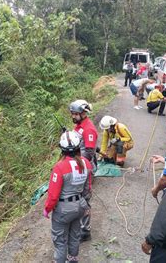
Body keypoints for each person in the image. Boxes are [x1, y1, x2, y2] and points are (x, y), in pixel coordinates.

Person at [43, 130, 92, 263]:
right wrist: (85, 205)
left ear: (62, 149)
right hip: (79, 206)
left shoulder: (59, 167)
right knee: (75, 235)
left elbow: (53, 195)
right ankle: (73, 259)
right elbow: (87, 189)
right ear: (78, 147)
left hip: (63, 210)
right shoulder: (86, 163)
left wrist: (47, 209)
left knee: (60, 240)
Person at [69, 99, 98, 241]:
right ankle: (77, 223)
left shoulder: (89, 129)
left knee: (84, 200)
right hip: (76, 167)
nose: (73, 116)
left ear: (83, 113)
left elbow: (88, 153)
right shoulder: (79, 126)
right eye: (72, 113)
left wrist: (76, 164)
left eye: (75, 114)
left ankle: (85, 230)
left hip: (83, 169)